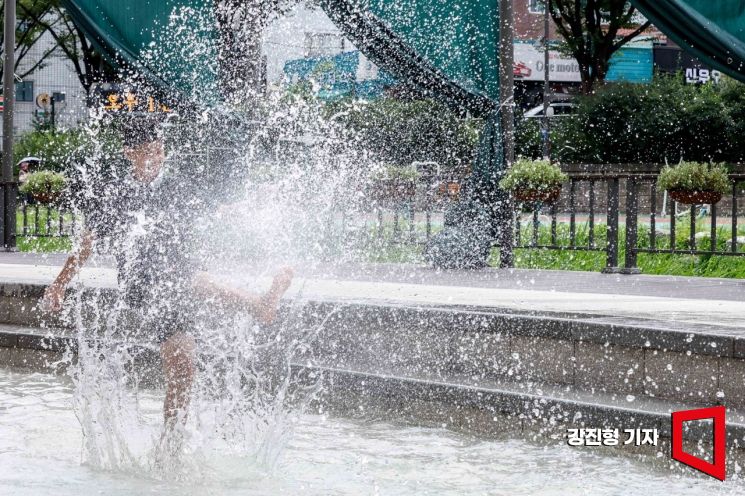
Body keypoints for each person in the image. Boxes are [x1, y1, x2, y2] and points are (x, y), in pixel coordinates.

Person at [41, 115, 294, 435]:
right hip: (143, 284)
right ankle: (259, 304)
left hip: (179, 280)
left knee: (183, 368)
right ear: (129, 154)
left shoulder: (179, 186)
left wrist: (256, 204)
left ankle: (170, 445)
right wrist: (59, 284)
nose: (155, 159)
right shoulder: (116, 193)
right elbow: (87, 244)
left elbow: (218, 212)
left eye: (159, 151)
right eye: (147, 152)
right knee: (193, 279)